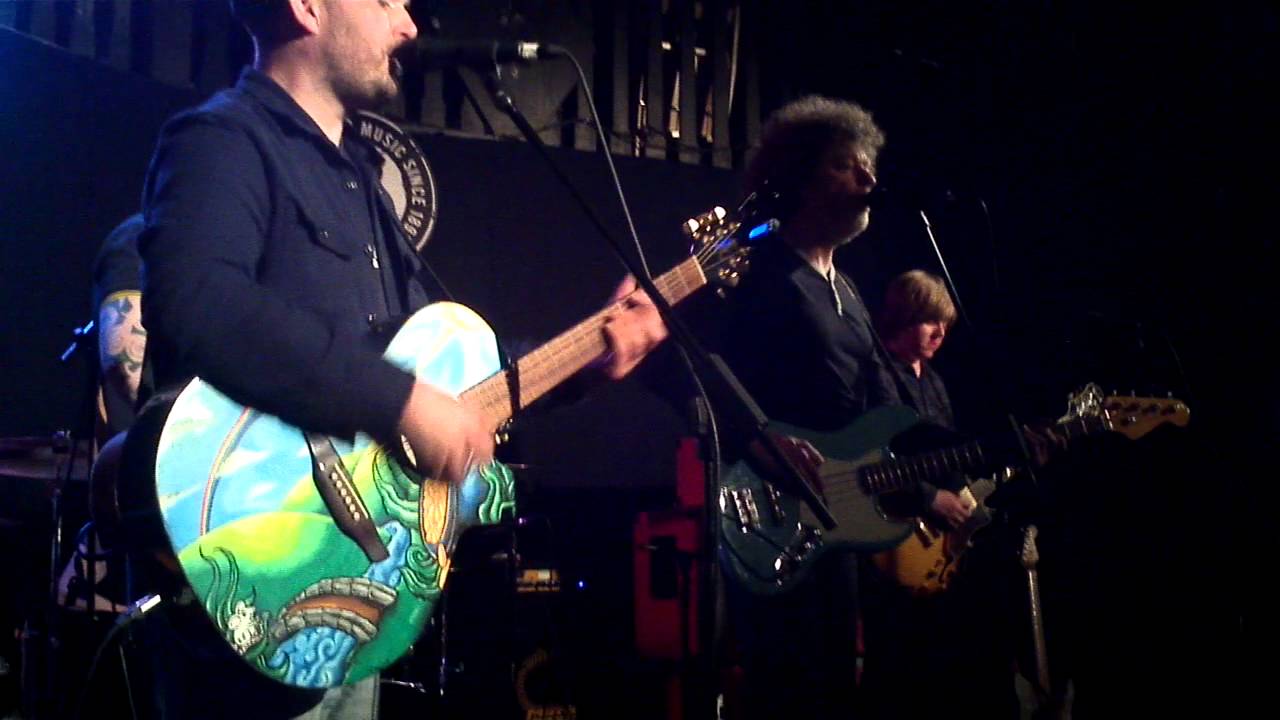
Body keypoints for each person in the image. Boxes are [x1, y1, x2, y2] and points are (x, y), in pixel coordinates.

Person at [126, 1, 668, 718]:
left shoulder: (363, 185)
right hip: (253, 574)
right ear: (306, 8)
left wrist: (588, 360)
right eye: (386, 1)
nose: (410, 26)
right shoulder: (222, 140)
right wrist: (399, 403)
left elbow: (450, 384)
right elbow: (199, 305)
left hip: (357, 585)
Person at [716, 94, 910, 719]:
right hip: (770, 515)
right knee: (786, 685)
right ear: (800, 175)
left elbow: (885, 406)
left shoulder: (848, 291)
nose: (868, 179)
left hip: (839, 521)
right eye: (846, 166)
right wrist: (759, 441)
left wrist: (940, 475)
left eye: (868, 167)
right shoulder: (759, 268)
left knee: (837, 682)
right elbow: (701, 368)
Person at [857, 268, 1022, 719]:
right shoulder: (877, 372)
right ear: (905, 318)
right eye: (931, 320)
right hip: (891, 538)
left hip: (939, 546)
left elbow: (949, 454)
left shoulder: (933, 381)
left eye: (945, 323)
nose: (941, 332)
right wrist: (930, 499)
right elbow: (877, 455)